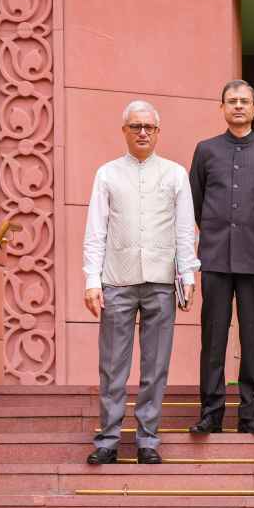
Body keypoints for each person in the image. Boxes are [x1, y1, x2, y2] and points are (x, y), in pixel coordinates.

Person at [83, 100, 199, 465]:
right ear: (124, 131)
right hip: (116, 280)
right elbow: (95, 231)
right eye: (136, 127)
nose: (143, 132)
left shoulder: (175, 174)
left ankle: (148, 439)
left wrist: (188, 275)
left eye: (149, 127)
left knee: (156, 365)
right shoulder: (107, 174)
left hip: (162, 281)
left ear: (158, 131)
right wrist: (91, 280)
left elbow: (184, 231)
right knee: (113, 364)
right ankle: (108, 439)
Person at [188, 80, 254, 435]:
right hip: (214, 257)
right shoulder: (206, 150)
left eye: (245, 101)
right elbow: (193, 204)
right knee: (212, 337)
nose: (239, 106)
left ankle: (252, 416)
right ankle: (210, 414)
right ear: (222, 108)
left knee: (253, 337)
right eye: (232, 101)